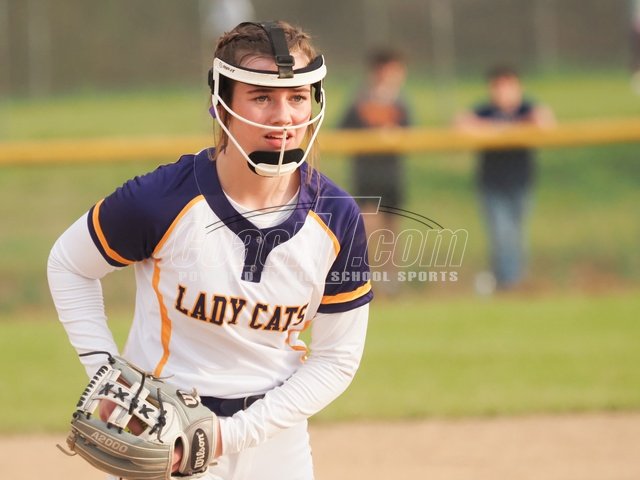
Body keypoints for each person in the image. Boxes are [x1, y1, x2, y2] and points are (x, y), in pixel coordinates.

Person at [48, 20, 372, 480]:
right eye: (262, 97)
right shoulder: (162, 199)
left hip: (275, 436)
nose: (284, 116)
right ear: (222, 105)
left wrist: (229, 435)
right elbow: (69, 264)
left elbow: (336, 359)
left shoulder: (337, 216)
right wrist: (105, 374)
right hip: (165, 430)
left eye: (298, 97)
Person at [455, 65, 555, 292]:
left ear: (518, 87)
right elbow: (460, 124)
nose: (502, 92)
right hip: (492, 183)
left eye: (507, 86)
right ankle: (508, 283)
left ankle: (514, 279)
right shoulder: (486, 111)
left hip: (521, 182)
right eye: (497, 87)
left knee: (517, 235)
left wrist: (506, 128)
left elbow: (546, 122)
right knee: (501, 234)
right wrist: (500, 128)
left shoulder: (526, 108)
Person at [339, 48, 411, 294]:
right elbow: (344, 131)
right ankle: (367, 283)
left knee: (391, 232)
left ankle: (391, 284)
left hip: (392, 176)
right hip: (367, 176)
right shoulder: (360, 101)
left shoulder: (400, 103)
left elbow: (410, 131)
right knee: (369, 231)